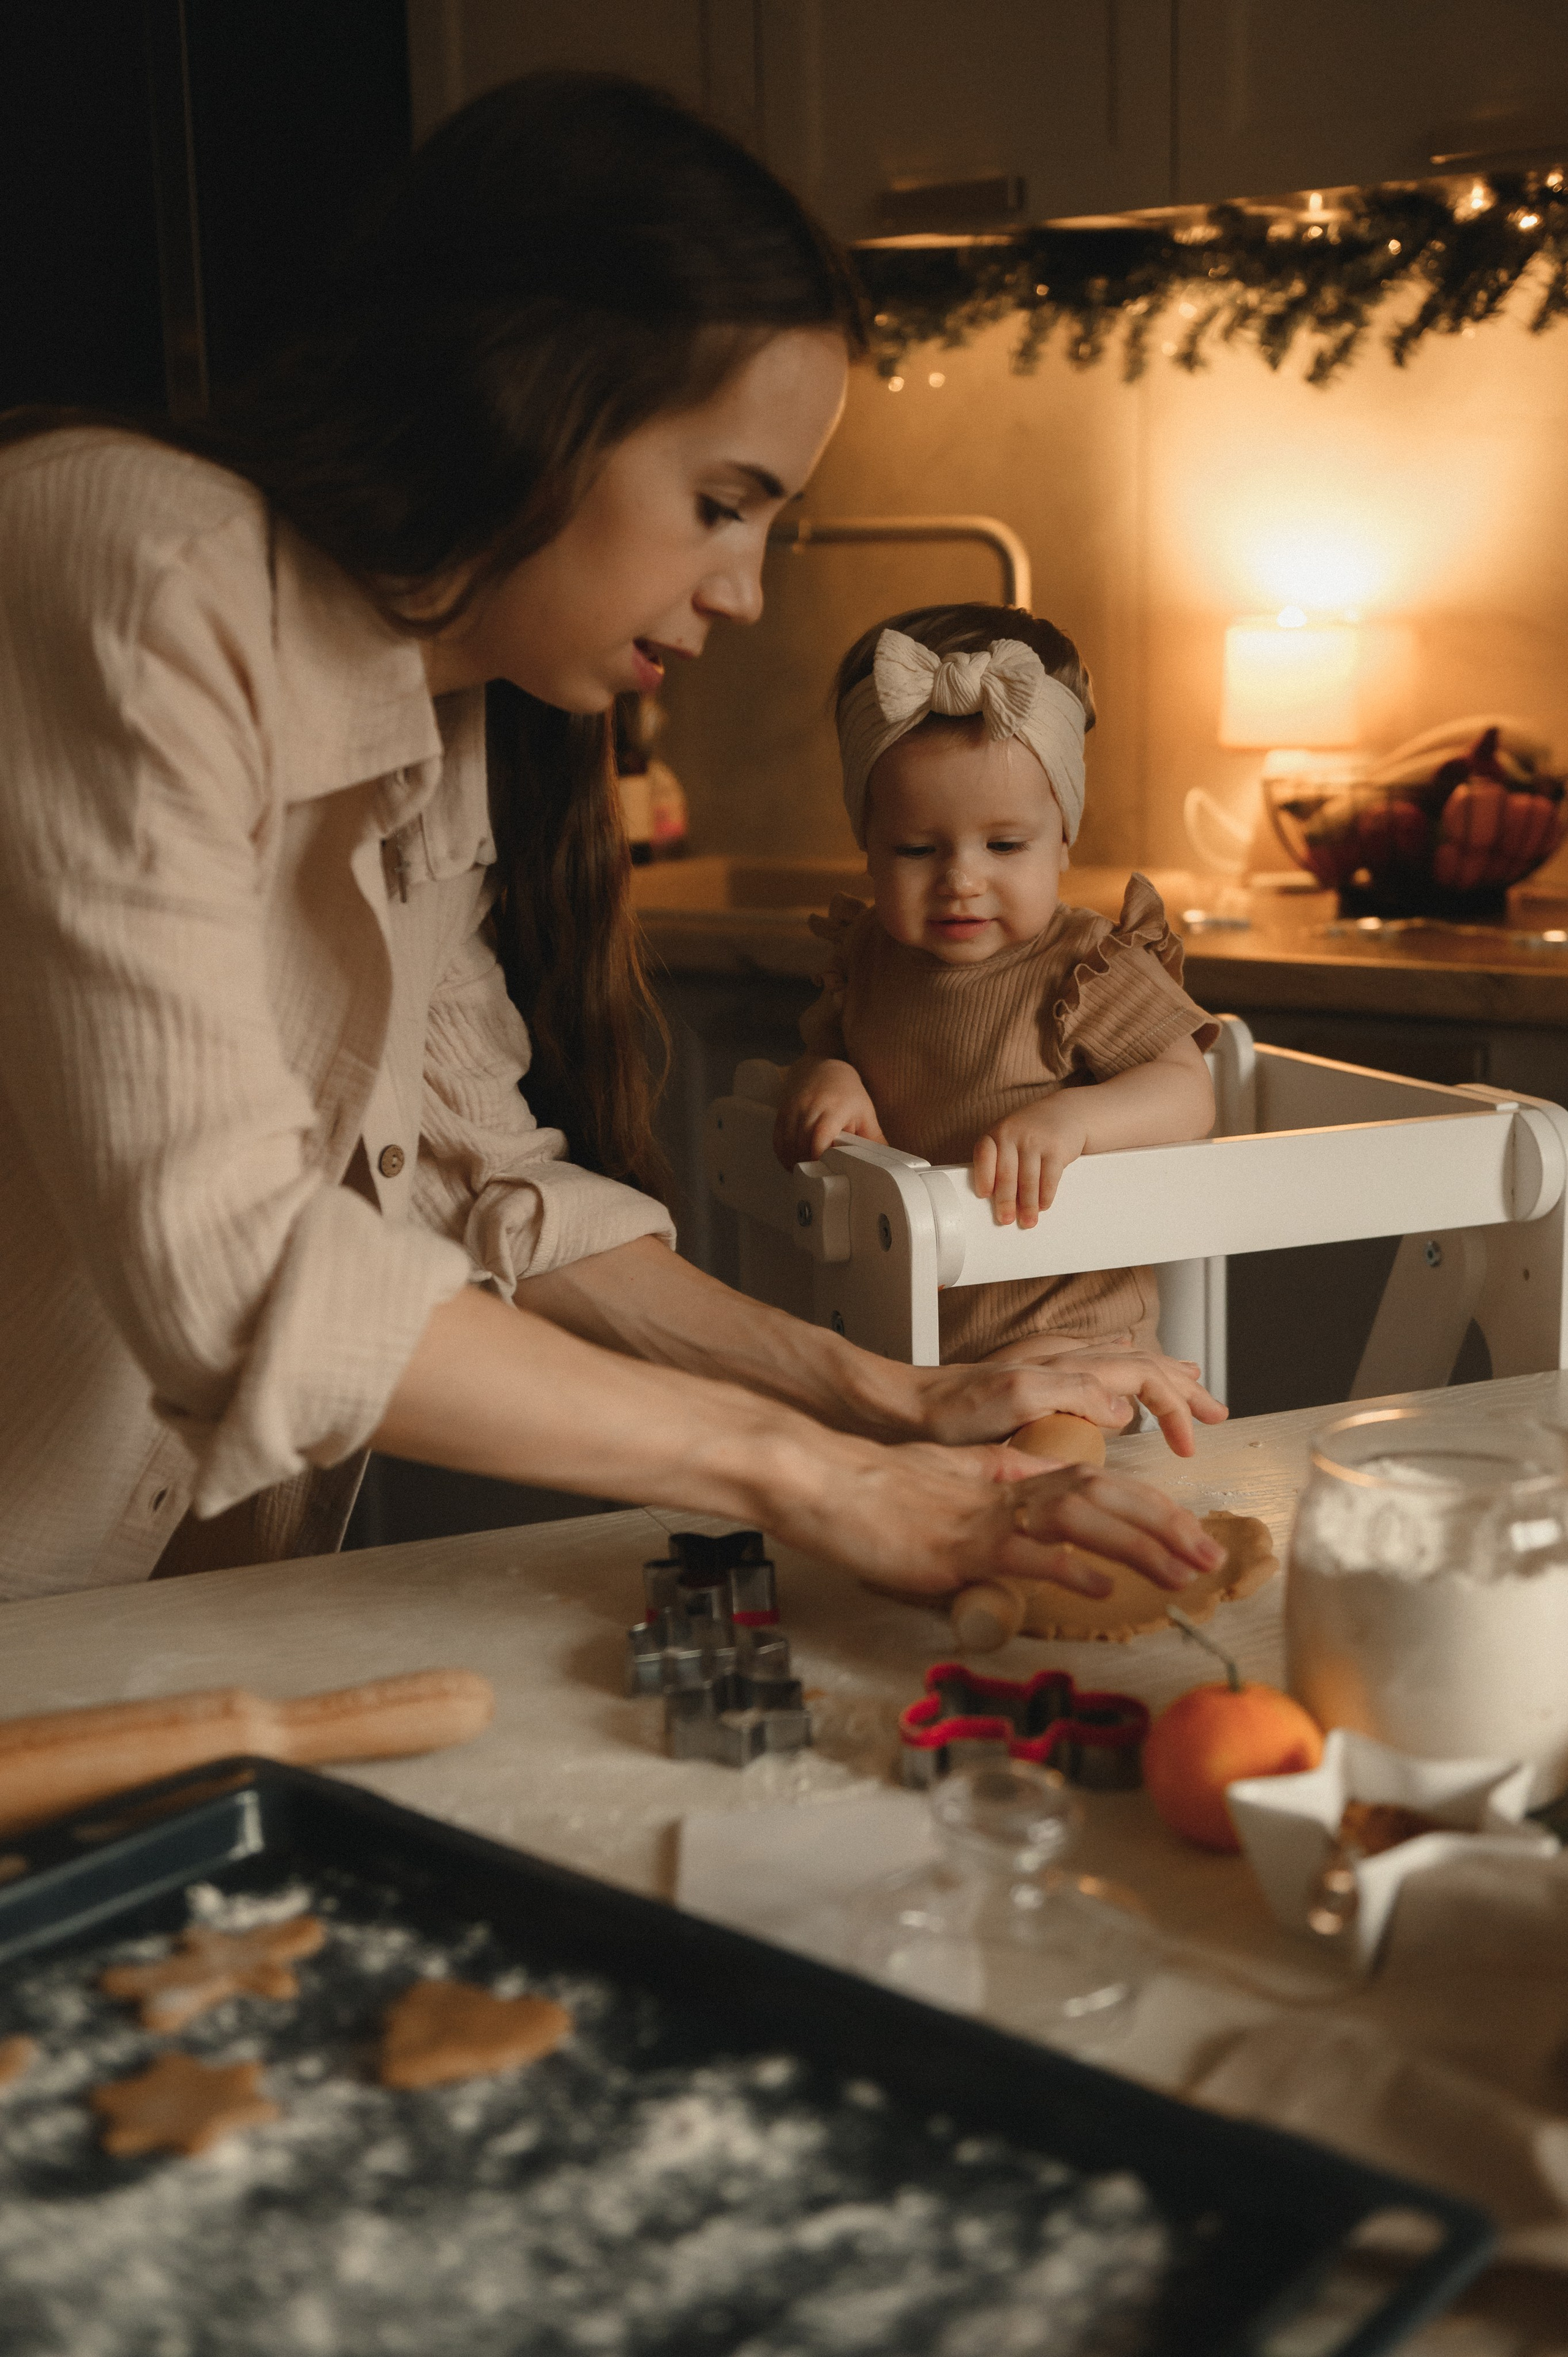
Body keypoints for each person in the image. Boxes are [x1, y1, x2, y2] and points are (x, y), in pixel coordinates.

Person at [0, 73, 1225, 1610]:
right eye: (721, 503)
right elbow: (234, 1269)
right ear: (528, 401)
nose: (746, 590)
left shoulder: (434, 702)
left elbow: (482, 1172)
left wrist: (883, 1397)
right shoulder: (128, 565)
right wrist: (821, 1477)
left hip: (129, 1623)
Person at [775, 605, 1219, 1366]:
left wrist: (1074, 1122)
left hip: (1071, 1337)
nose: (961, 881)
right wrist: (830, 1077)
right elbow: (819, 1055)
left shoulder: (1084, 967)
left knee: (1049, 1455)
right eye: (916, 849)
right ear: (866, 843)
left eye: (1005, 845)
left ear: (1063, 840)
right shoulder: (870, 961)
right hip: (905, 1333)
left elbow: (1187, 1091)